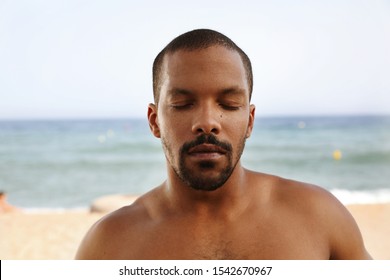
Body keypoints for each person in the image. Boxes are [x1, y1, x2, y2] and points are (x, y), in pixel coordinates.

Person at [76, 29, 371, 259]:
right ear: (154, 121)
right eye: (182, 103)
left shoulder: (319, 217)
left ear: (250, 121)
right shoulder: (109, 245)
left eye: (228, 104)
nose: (207, 121)